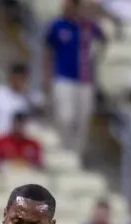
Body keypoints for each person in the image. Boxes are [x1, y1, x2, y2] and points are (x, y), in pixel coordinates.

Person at [44, 0, 107, 155]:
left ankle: (76, 154)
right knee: (65, 116)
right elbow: (48, 50)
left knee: (82, 120)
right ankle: (64, 148)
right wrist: (47, 75)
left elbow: (104, 39)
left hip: (85, 79)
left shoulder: (87, 26)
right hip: (63, 76)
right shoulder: (57, 25)